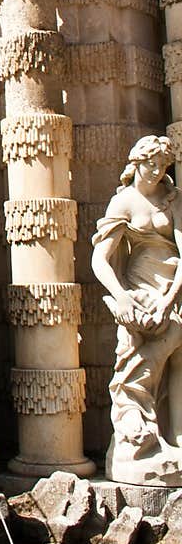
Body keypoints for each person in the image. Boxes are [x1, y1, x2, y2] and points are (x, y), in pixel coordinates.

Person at [91, 135, 182, 484]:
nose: (156, 171)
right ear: (136, 163)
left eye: (162, 165)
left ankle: (174, 438)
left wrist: (171, 298)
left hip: (172, 289)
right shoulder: (124, 202)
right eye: (150, 164)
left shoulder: (173, 199)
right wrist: (121, 296)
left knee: (178, 356)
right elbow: (99, 259)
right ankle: (138, 437)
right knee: (134, 361)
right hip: (138, 290)